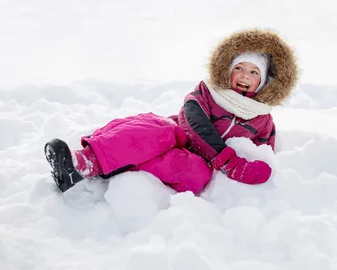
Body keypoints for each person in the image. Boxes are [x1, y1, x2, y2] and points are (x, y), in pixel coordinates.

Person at [44, 29, 299, 194]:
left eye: (254, 72)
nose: (245, 75)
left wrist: (252, 168)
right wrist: (228, 161)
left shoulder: (262, 120)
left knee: (196, 177)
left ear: (263, 82)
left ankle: (119, 167)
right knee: (157, 133)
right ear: (228, 70)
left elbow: (264, 152)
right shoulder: (208, 91)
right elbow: (193, 121)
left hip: (202, 161)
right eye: (239, 68)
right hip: (178, 133)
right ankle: (82, 163)